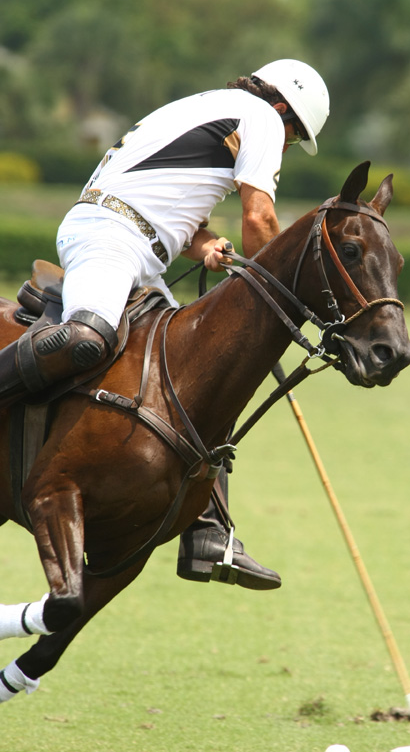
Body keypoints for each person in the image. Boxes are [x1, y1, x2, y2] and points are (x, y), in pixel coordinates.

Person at [0, 58, 330, 592]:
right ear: (283, 110)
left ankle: (208, 533)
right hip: (110, 237)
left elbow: (169, 208)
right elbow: (260, 219)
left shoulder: (210, 107)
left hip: (133, 243)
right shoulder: (263, 119)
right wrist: (281, 297)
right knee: (88, 337)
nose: (286, 147)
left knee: (203, 374)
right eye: (294, 137)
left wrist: (206, 246)